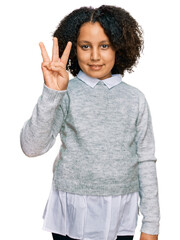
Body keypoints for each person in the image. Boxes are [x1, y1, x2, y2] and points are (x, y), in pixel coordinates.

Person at [20, 5, 160, 240]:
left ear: (119, 45)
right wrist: (51, 93)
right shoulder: (66, 93)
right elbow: (31, 147)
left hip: (120, 213)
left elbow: (146, 160)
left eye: (104, 45)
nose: (95, 56)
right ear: (74, 49)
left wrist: (151, 224)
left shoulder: (135, 99)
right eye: (86, 46)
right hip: (71, 212)